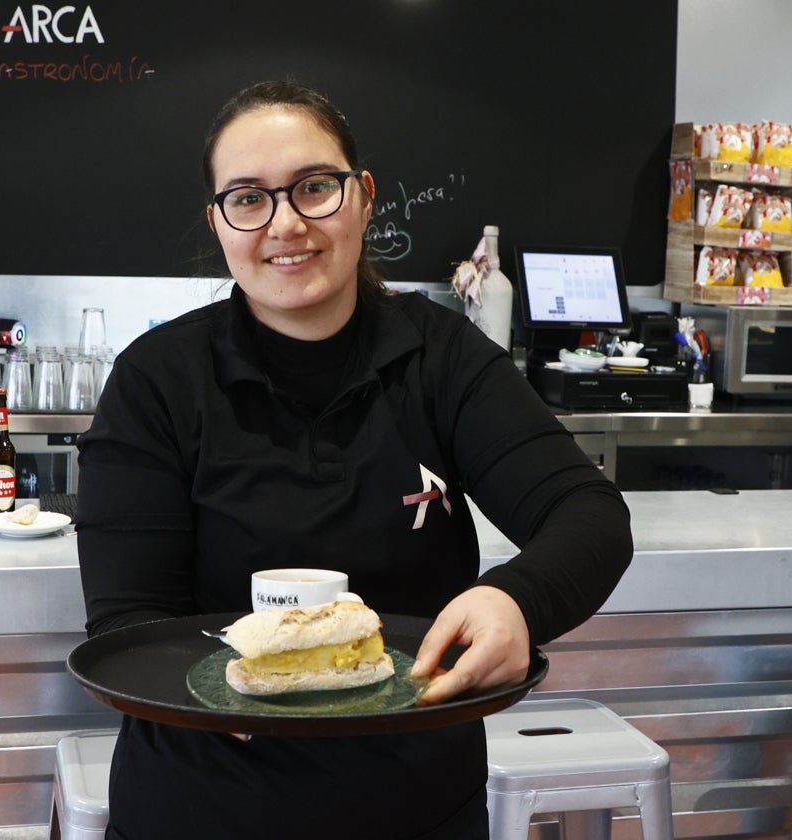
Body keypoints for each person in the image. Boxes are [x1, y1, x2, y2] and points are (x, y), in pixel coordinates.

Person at [75, 79, 633, 840]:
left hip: (417, 803)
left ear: (363, 197)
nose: (286, 224)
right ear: (218, 222)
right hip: (203, 806)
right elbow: (127, 625)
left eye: (315, 188)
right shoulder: (157, 379)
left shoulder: (442, 358)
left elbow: (589, 514)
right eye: (248, 199)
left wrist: (516, 601)